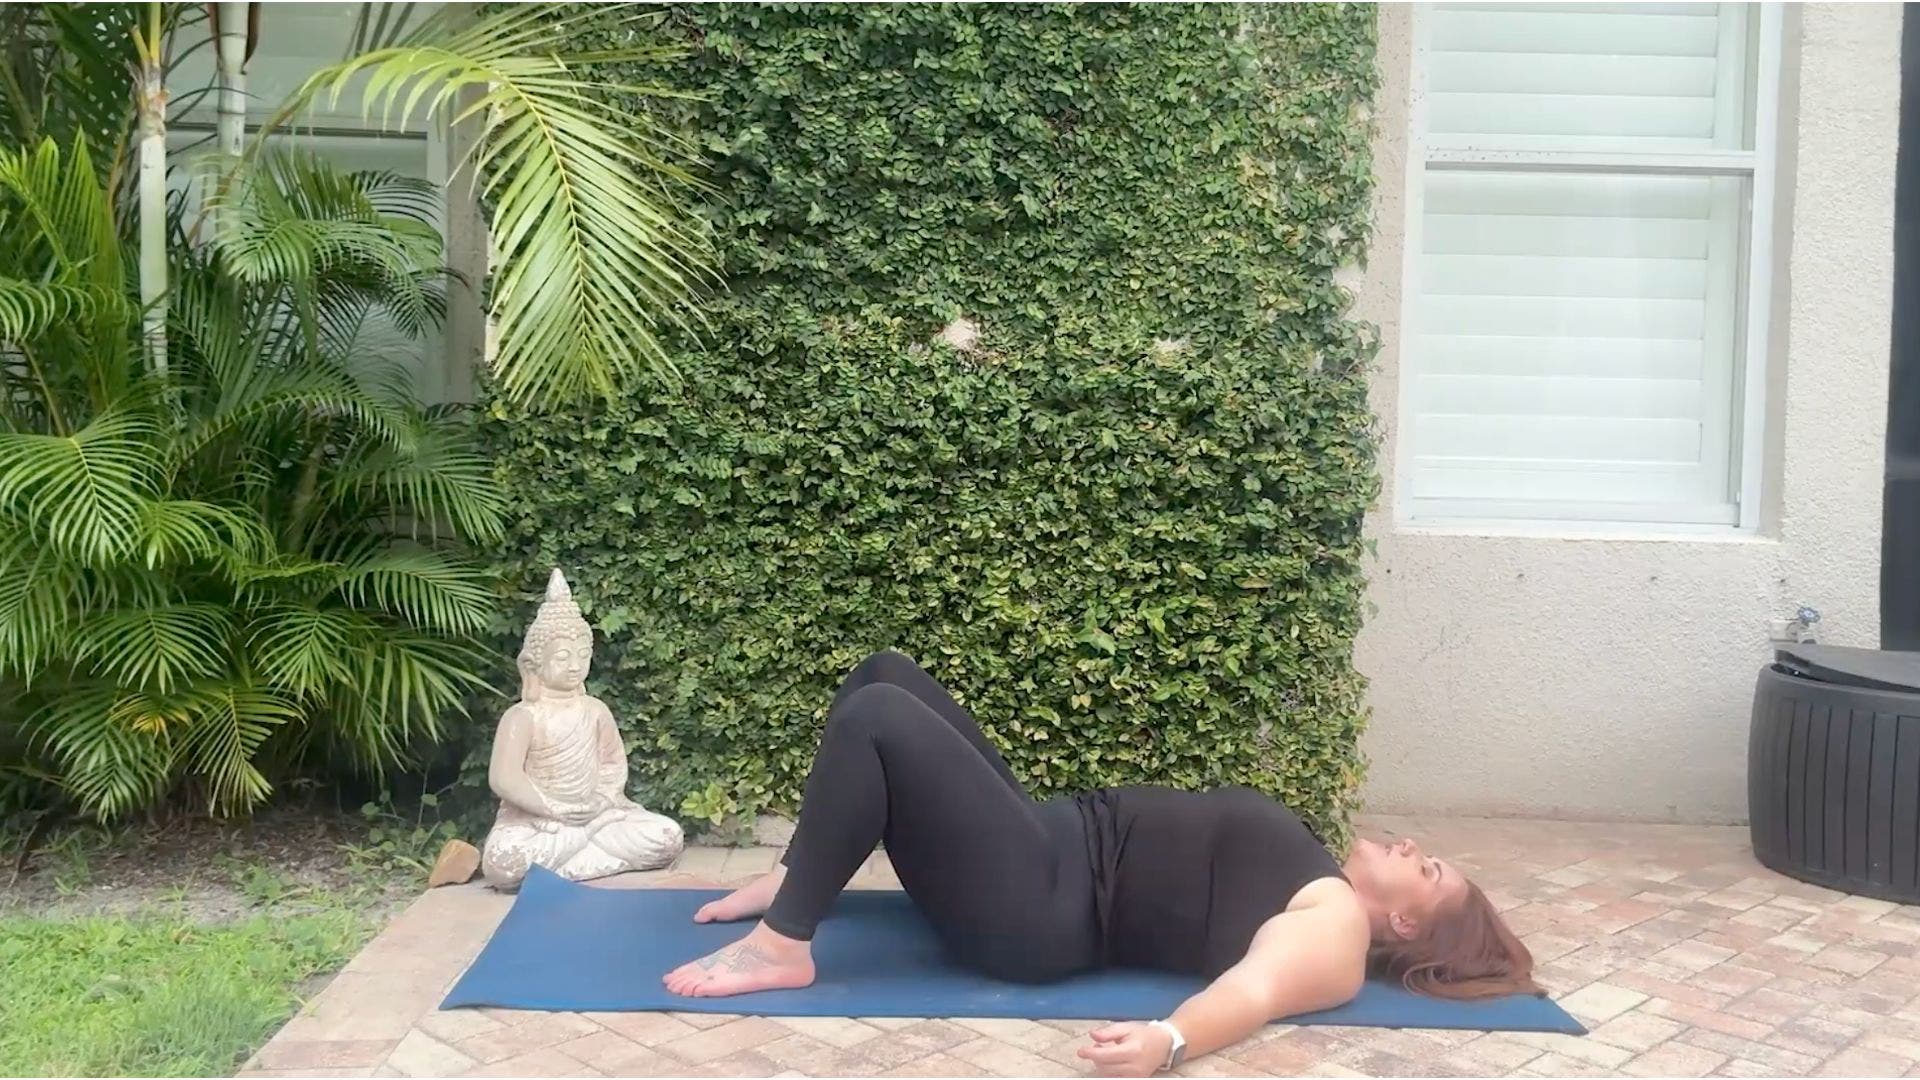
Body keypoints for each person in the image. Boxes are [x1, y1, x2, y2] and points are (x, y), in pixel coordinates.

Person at [664, 651, 1538, 1076]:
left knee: (878, 719)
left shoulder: (1338, 930)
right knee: (883, 674)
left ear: (1405, 924)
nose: (1413, 849)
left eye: (1426, 872)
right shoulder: (1328, 880)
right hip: (1043, 850)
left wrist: (1170, 1040)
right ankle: (801, 872)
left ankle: (786, 943)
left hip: (1039, 910)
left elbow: (1257, 992)